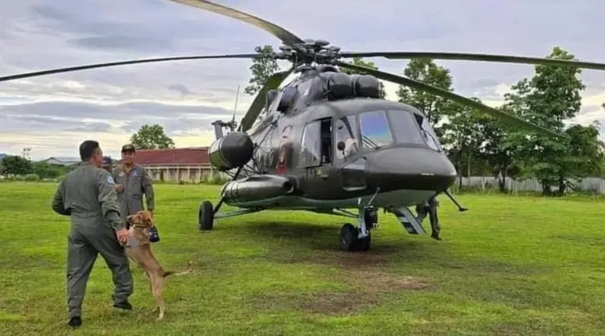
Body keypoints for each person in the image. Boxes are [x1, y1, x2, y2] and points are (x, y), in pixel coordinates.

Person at [51, 140, 133, 328]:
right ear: (96, 156)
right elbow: (109, 203)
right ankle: (121, 297)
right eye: (101, 153)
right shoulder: (102, 175)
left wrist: (76, 213)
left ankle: (74, 313)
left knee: (76, 272)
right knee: (118, 260)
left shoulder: (68, 178)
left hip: (77, 227)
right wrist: (119, 227)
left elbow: (56, 204)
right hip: (100, 224)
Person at [112, 144, 158, 242]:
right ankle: (121, 252)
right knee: (121, 233)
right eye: (125, 154)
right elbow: (107, 187)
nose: (127, 156)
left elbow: (148, 189)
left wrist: (150, 208)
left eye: (130, 154)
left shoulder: (141, 171)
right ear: (122, 155)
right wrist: (113, 187)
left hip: (136, 209)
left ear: (134, 155)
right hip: (120, 208)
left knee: (135, 236)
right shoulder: (116, 171)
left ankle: (134, 252)